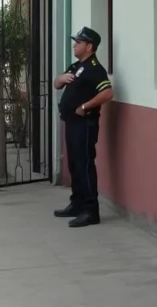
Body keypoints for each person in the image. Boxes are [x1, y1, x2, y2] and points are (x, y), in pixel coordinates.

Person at [52, 26, 114, 228]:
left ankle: (91, 211)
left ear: (89, 46)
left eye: (78, 42)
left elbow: (107, 93)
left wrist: (85, 106)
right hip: (71, 123)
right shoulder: (77, 66)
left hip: (85, 124)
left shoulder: (95, 69)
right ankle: (77, 204)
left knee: (85, 166)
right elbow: (57, 84)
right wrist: (60, 79)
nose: (74, 45)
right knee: (74, 165)